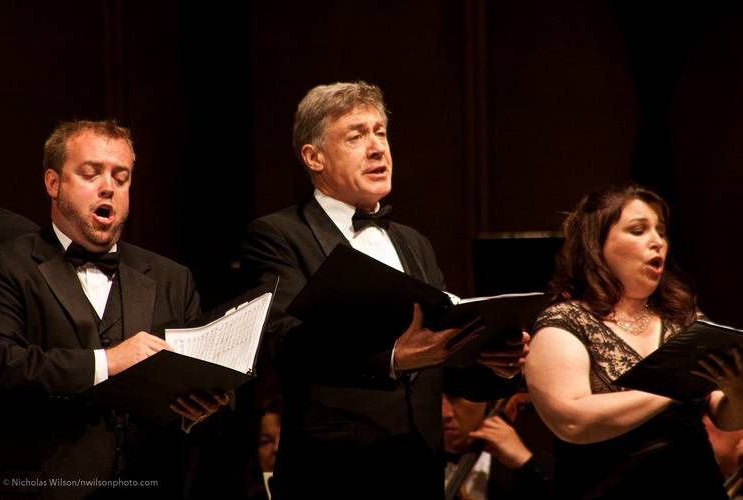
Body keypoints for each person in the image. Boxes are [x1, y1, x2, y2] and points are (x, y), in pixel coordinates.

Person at [240, 81, 527, 499]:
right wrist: (390, 359)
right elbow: (283, 341)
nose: (377, 148)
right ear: (313, 157)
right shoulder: (279, 235)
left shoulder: (414, 243)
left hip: (419, 473)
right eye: (356, 136)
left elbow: (441, 361)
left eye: (380, 132)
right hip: (334, 476)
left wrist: (497, 365)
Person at [0, 120, 227, 499]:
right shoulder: (7, 265)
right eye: (91, 173)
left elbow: (195, 385)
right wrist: (109, 362)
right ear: (53, 183)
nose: (108, 187)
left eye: (121, 177)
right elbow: (2, 363)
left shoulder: (172, 277)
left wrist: (198, 410)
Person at [525, 183, 743, 498]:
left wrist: (737, 392)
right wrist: (675, 388)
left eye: (662, 231)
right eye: (638, 230)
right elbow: (572, 421)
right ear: (596, 243)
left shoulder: (682, 318)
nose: (657, 242)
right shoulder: (564, 322)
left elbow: (724, 417)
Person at [442, 386, 552, 499]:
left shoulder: (540, 456)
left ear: (486, 399)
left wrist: (526, 462)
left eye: (455, 397)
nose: (445, 414)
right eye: (435, 400)